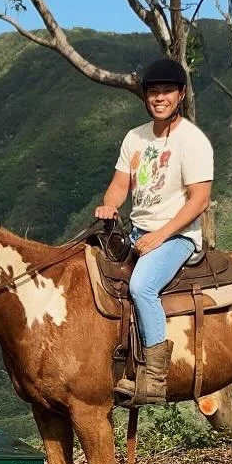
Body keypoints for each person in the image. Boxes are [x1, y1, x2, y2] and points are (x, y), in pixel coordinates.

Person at [94, 57, 214, 406]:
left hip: (177, 237)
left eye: (167, 91)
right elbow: (120, 185)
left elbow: (200, 200)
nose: (159, 98)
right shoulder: (135, 138)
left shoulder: (192, 141)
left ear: (180, 96)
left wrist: (160, 235)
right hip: (138, 231)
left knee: (141, 286)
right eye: (153, 92)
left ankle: (155, 377)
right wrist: (110, 205)